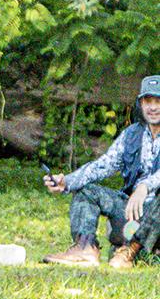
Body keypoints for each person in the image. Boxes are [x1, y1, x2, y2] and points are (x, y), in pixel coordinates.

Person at [42, 75, 160, 268]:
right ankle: (85, 248)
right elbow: (103, 164)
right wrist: (68, 181)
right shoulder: (131, 134)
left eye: (158, 101)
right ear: (140, 103)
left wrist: (144, 187)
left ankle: (131, 250)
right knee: (88, 191)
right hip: (132, 214)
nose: (153, 107)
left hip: (156, 219)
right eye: (148, 101)